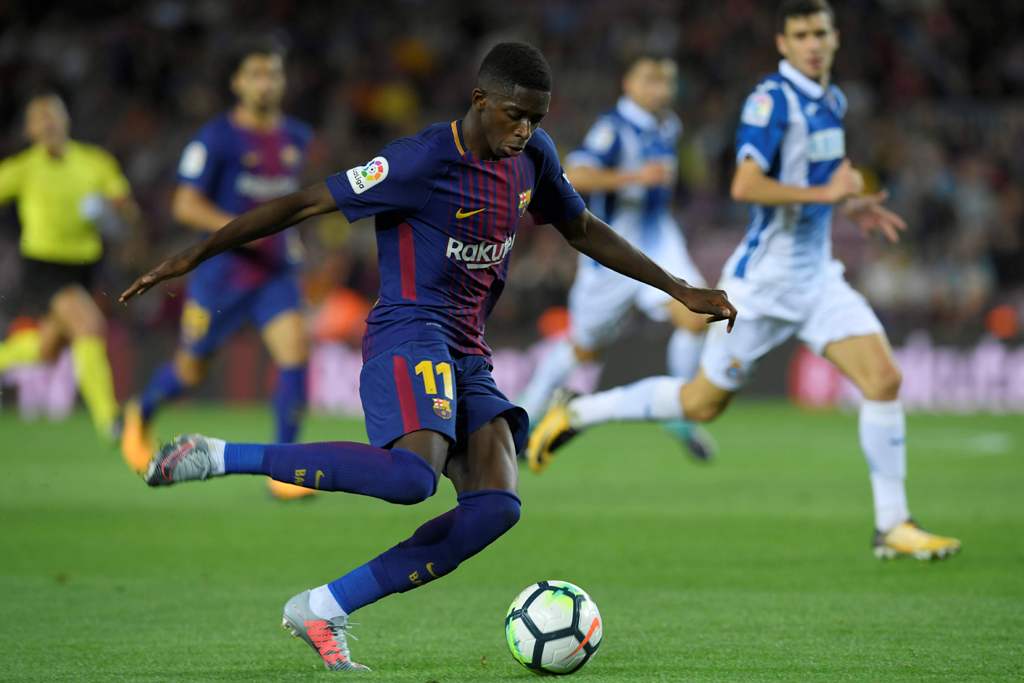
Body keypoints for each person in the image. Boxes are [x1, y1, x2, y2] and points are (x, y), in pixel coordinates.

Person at [120, 42, 736, 672]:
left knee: (496, 506)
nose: (525, 130)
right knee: (413, 479)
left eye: (537, 119)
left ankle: (324, 606)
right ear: (480, 101)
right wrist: (194, 254)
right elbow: (305, 202)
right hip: (408, 331)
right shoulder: (419, 161)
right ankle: (219, 455)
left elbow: (580, 228)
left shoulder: (533, 158)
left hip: (468, 349)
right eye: (514, 115)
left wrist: (677, 287)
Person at [527, 0, 961, 561]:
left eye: (821, 33)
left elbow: (820, 175)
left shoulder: (832, 99)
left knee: (883, 380)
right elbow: (747, 184)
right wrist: (825, 195)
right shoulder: (769, 102)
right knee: (701, 404)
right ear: (783, 43)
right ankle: (581, 411)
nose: (812, 43)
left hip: (818, 279)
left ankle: (893, 525)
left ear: (834, 39)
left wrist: (849, 203)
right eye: (801, 34)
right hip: (763, 284)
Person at [120, 40, 315, 501]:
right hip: (223, 273)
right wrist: (242, 228)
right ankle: (140, 410)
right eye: (256, 74)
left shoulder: (297, 138)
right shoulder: (216, 138)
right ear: (238, 84)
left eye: (273, 74)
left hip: (274, 272)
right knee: (190, 373)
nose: (266, 82)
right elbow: (184, 204)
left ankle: (283, 471)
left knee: (295, 354)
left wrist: (290, 233)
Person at [517, 53, 715, 461]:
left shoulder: (668, 124)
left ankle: (678, 407)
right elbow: (576, 172)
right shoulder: (613, 129)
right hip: (611, 253)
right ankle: (525, 415)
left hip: (660, 240)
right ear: (629, 84)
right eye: (650, 80)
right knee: (582, 348)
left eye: (665, 81)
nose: (660, 89)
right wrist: (635, 177)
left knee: (697, 315)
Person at [0, 91, 136, 442]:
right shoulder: (22, 168)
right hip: (44, 267)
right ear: (30, 128)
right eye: (39, 117)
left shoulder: (95, 162)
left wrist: (112, 212)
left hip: (85, 267)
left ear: (66, 120)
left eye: (53, 114)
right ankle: (111, 421)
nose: (47, 122)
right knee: (89, 326)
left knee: (48, 349)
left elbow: (128, 212)